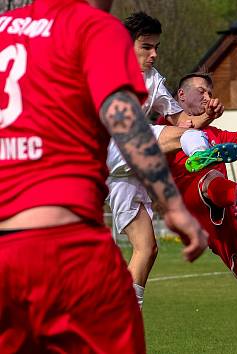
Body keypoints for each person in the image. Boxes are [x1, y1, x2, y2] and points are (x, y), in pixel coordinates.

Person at [0, 0, 207, 352]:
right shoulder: (94, 27)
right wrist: (171, 203)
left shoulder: (5, 27)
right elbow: (126, 121)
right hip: (66, 249)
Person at [106, 11, 233, 309]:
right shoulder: (105, 71)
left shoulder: (154, 80)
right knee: (179, 138)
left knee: (146, 249)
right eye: (146, 47)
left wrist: (207, 115)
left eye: (157, 47)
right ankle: (202, 156)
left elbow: (184, 123)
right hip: (113, 149)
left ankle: (125, 315)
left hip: (128, 175)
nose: (154, 54)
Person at [157, 66, 237, 354]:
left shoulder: (214, 133)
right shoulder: (163, 127)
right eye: (201, 91)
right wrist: (204, 118)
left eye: (210, 92)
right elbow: (183, 131)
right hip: (188, 205)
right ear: (181, 95)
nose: (208, 96)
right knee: (209, 176)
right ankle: (235, 192)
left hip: (220, 212)